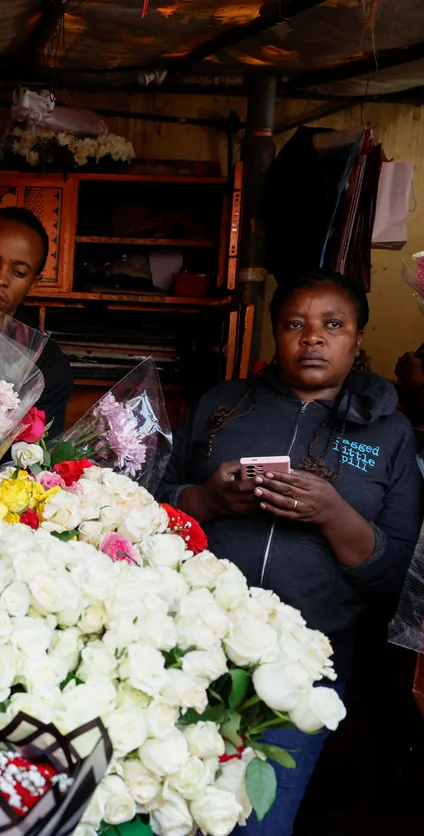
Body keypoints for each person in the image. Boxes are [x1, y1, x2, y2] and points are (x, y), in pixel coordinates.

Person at [158, 271, 421, 835]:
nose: (313, 338)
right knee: (160, 809)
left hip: (302, 673)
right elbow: (145, 507)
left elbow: (396, 583)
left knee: (257, 823)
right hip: (189, 650)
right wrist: (205, 499)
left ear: (357, 338)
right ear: (275, 334)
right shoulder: (222, 405)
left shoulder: (390, 434)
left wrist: (333, 513)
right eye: (295, 324)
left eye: (333, 325)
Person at [0, 207, 74, 436]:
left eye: (19, 273)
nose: (0, 279)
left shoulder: (45, 367)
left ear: (33, 283)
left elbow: (38, 455)